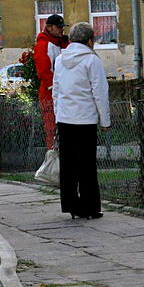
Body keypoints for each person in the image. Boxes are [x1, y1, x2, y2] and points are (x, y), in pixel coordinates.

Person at [52, 22, 111, 220]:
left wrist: (57, 114)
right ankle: (90, 207)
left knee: (68, 165)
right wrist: (105, 120)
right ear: (89, 41)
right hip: (85, 119)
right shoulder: (92, 61)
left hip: (65, 119)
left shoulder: (60, 60)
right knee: (87, 165)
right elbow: (100, 93)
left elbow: (56, 91)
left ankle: (71, 206)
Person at [34, 13, 69, 149]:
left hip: (59, 92)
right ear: (49, 28)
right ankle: (53, 157)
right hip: (50, 94)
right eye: (58, 27)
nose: (62, 29)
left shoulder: (59, 43)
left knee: (61, 127)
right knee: (52, 128)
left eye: (62, 27)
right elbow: (44, 72)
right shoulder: (44, 45)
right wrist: (56, 90)